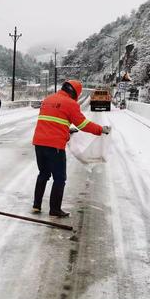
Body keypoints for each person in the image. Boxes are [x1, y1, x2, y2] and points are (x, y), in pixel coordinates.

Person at [32, 80, 111, 217]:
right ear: (75, 93)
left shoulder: (48, 99)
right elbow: (83, 124)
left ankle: (36, 206)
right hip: (55, 146)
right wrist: (100, 129)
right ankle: (55, 209)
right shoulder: (70, 103)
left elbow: (52, 121)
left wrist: (67, 130)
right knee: (59, 178)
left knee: (43, 174)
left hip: (39, 143)